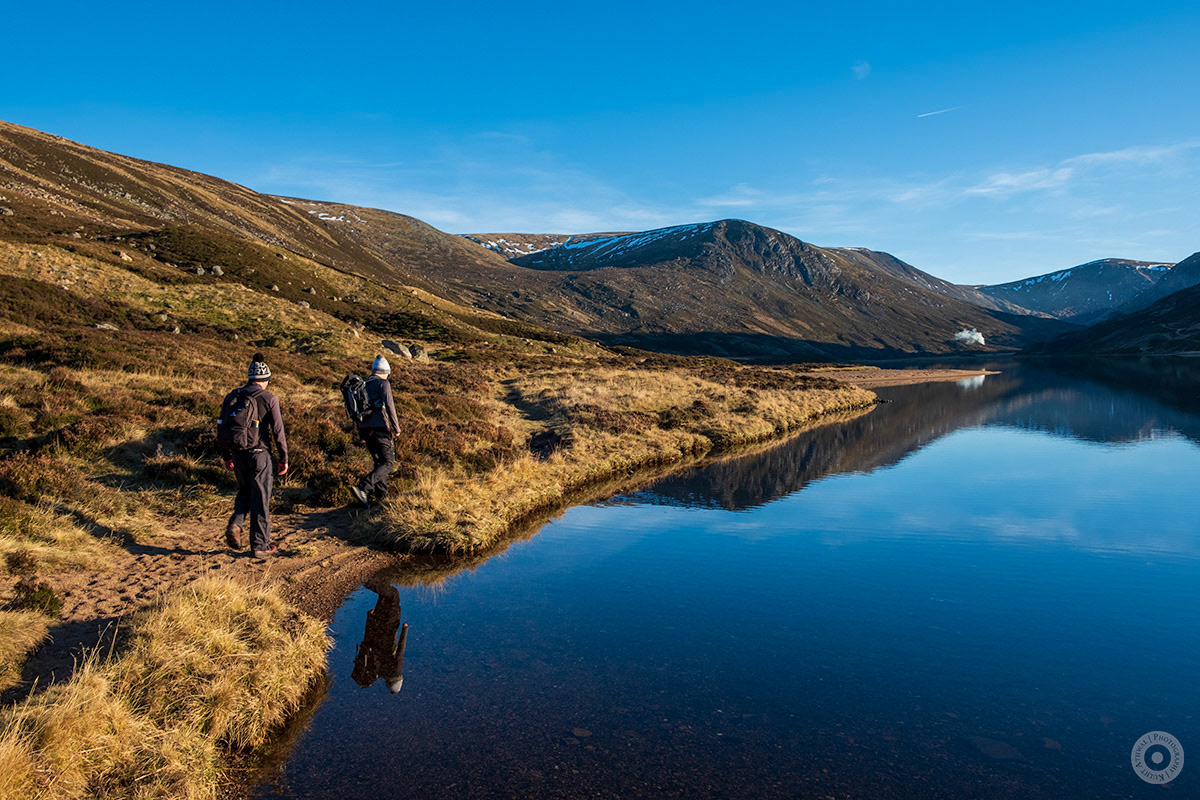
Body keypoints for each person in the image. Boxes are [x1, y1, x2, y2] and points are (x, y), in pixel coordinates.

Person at [219, 353, 288, 557]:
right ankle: (260, 545)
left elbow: (222, 426)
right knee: (261, 498)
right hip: (260, 455)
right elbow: (278, 431)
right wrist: (284, 458)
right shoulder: (269, 398)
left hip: (237, 452)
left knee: (244, 492)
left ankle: (236, 523)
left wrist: (226, 456)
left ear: (249, 377)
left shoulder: (232, 396)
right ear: (266, 379)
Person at [351, 354, 401, 508]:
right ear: (385, 371)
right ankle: (362, 488)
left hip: (365, 429)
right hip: (380, 428)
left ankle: (381, 498)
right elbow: (389, 406)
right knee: (388, 463)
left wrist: (361, 433)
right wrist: (396, 428)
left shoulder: (363, 384)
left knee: (379, 462)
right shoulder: (383, 383)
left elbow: (357, 409)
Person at [351, 578, 409, 694]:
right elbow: (368, 643)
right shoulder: (379, 672)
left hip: (389, 627)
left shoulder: (395, 672)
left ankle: (365, 580)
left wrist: (405, 630)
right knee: (384, 596)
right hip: (377, 627)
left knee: (393, 594)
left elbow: (400, 652)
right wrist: (370, 618)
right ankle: (377, 576)